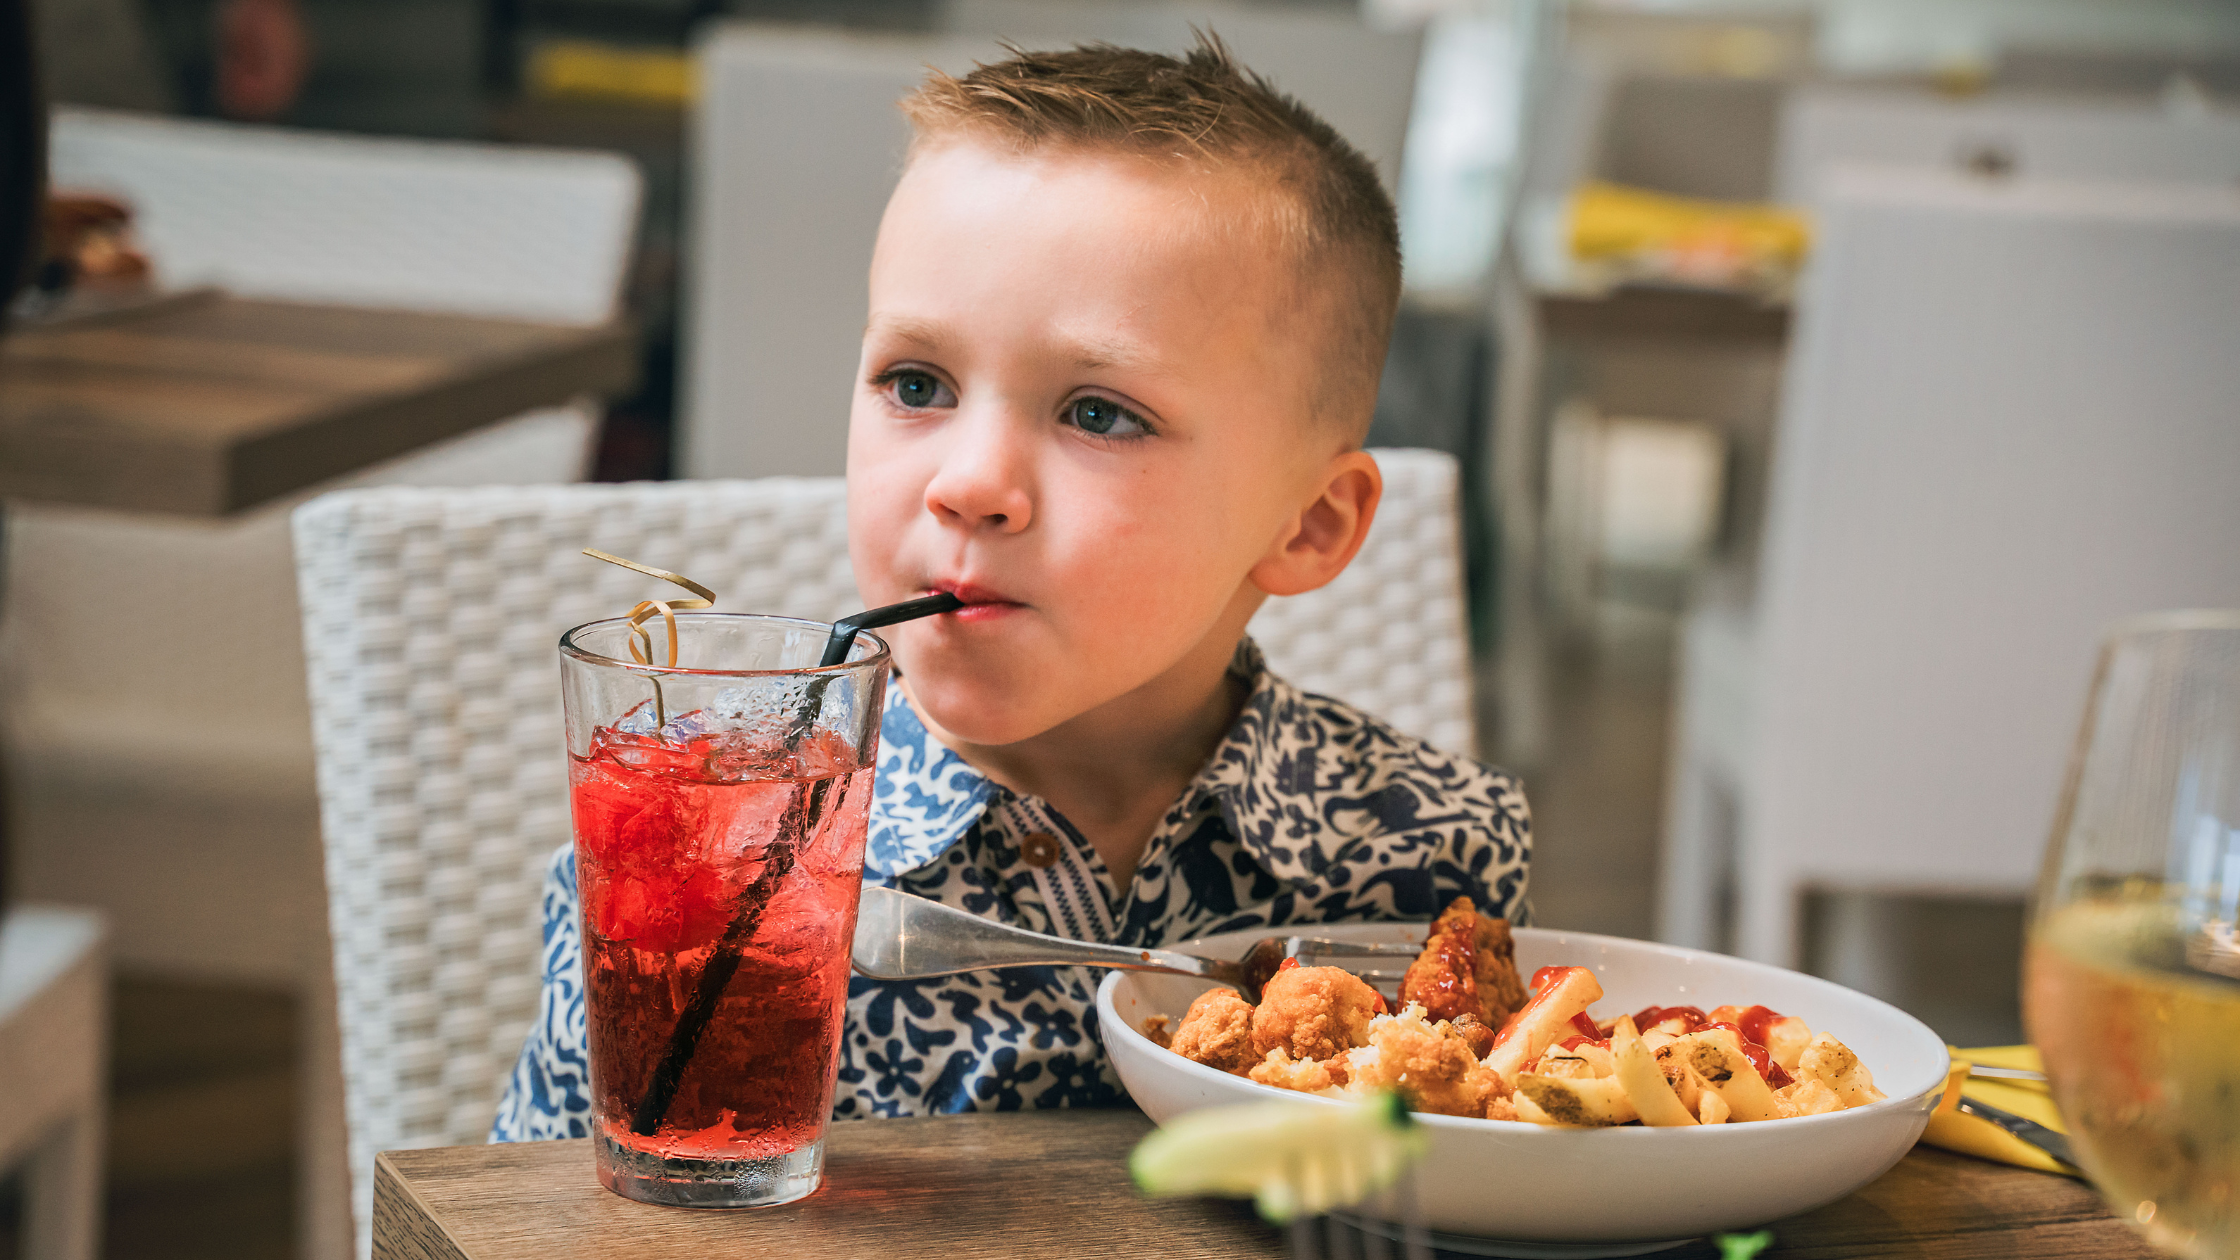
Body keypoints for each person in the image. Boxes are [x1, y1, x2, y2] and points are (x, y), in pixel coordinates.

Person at [492, 35, 1533, 1137]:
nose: (969, 483)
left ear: (1308, 525)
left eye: (1097, 413)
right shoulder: (691, 844)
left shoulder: (1427, 853)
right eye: (915, 383)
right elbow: (534, 1220)